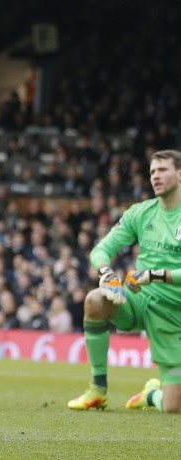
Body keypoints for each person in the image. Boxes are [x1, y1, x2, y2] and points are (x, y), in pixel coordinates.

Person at [68, 149, 181, 413]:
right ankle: (98, 390)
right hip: (140, 301)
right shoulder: (140, 213)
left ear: (179, 174)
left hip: (173, 315)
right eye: (152, 171)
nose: (155, 176)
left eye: (162, 170)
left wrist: (155, 275)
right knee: (95, 299)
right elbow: (100, 250)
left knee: (174, 407)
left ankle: (151, 393)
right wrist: (107, 273)